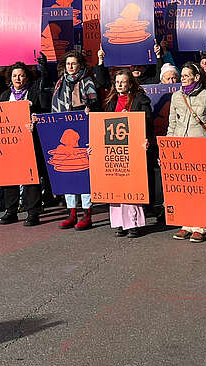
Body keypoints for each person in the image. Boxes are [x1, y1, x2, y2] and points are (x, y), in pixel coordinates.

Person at [167, 62, 206, 243]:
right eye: (181, 76)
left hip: (201, 146)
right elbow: (172, 124)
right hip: (181, 145)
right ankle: (186, 225)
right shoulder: (176, 97)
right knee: (184, 188)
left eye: (186, 76)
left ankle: (200, 226)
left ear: (197, 77)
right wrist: (168, 146)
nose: (183, 79)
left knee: (201, 188)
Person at [50, 51, 100, 230]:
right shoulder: (59, 83)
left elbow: (96, 102)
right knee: (67, 171)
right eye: (68, 64)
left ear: (80, 65)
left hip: (83, 130)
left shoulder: (87, 82)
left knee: (83, 171)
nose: (70, 67)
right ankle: (71, 213)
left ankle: (87, 214)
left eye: (74, 64)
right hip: (64, 130)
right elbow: (54, 104)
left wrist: (90, 108)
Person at [0, 61, 49, 227]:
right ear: (10, 78)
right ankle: (11, 211)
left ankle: (33, 212)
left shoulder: (34, 94)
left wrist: (36, 120)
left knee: (30, 177)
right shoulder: (5, 96)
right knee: (10, 176)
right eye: (14, 75)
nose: (17, 78)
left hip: (30, 142)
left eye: (21, 75)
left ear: (26, 77)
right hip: (9, 143)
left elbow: (43, 113)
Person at [104, 69, 154, 238]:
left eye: (123, 82)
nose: (119, 85)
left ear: (130, 83)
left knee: (132, 186)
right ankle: (119, 223)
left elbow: (147, 121)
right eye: (117, 82)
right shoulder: (111, 101)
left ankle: (133, 223)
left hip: (134, 147)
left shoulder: (141, 99)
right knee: (117, 186)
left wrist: (131, 117)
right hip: (116, 148)